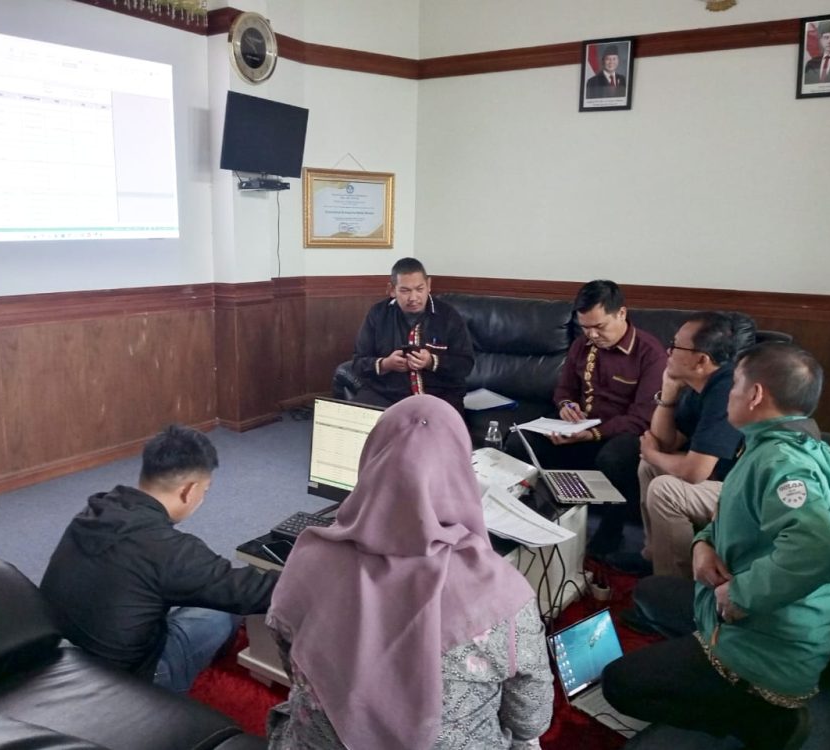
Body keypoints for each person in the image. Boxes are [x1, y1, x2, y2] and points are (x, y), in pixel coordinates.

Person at [265, 395, 554, 750]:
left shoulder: (308, 557)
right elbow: (530, 719)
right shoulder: (501, 594)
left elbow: (290, 657)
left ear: (372, 459)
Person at [602, 343, 830, 750]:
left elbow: (814, 551)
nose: (728, 395)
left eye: (735, 385)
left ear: (755, 395)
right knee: (649, 592)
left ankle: (763, 721)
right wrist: (702, 546)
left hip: (770, 640)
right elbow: (725, 520)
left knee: (618, 684)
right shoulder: (766, 444)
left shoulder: (783, 464)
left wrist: (740, 593)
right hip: (747, 607)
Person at [40, 424, 278, 692]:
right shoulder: (170, 551)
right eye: (205, 490)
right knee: (222, 614)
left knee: (183, 594)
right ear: (189, 490)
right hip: (129, 683)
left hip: (65, 658)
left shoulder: (97, 509)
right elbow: (255, 592)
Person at [505, 279, 667, 554]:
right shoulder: (582, 345)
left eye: (599, 326)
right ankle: (534, 516)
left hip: (621, 433)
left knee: (616, 457)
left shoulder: (649, 353)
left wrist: (591, 434)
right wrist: (566, 405)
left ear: (621, 313)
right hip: (578, 426)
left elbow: (642, 417)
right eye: (585, 327)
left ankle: (611, 532)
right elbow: (564, 389)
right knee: (520, 441)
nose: (592, 335)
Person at [611, 312, 744, 578]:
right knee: (649, 466)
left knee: (664, 488)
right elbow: (665, 442)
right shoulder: (700, 387)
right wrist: (668, 393)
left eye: (675, 346)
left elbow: (695, 472)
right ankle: (655, 555)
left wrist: (652, 453)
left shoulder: (725, 391)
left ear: (701, 360)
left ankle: (675, 583)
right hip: (721, 480)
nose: (668, 351)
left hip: (746, 495)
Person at [351, 257, 474, 414]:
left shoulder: (448, 316)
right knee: (355, 418)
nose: (413, 298)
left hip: (439, 397)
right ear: (392, 290)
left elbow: (465, 364)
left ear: (429, 285)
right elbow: (358, 363)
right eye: (405, 291)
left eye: (419, 289)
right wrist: (386, 364)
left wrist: (431, 361)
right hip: (387, 395)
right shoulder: (378, 314)